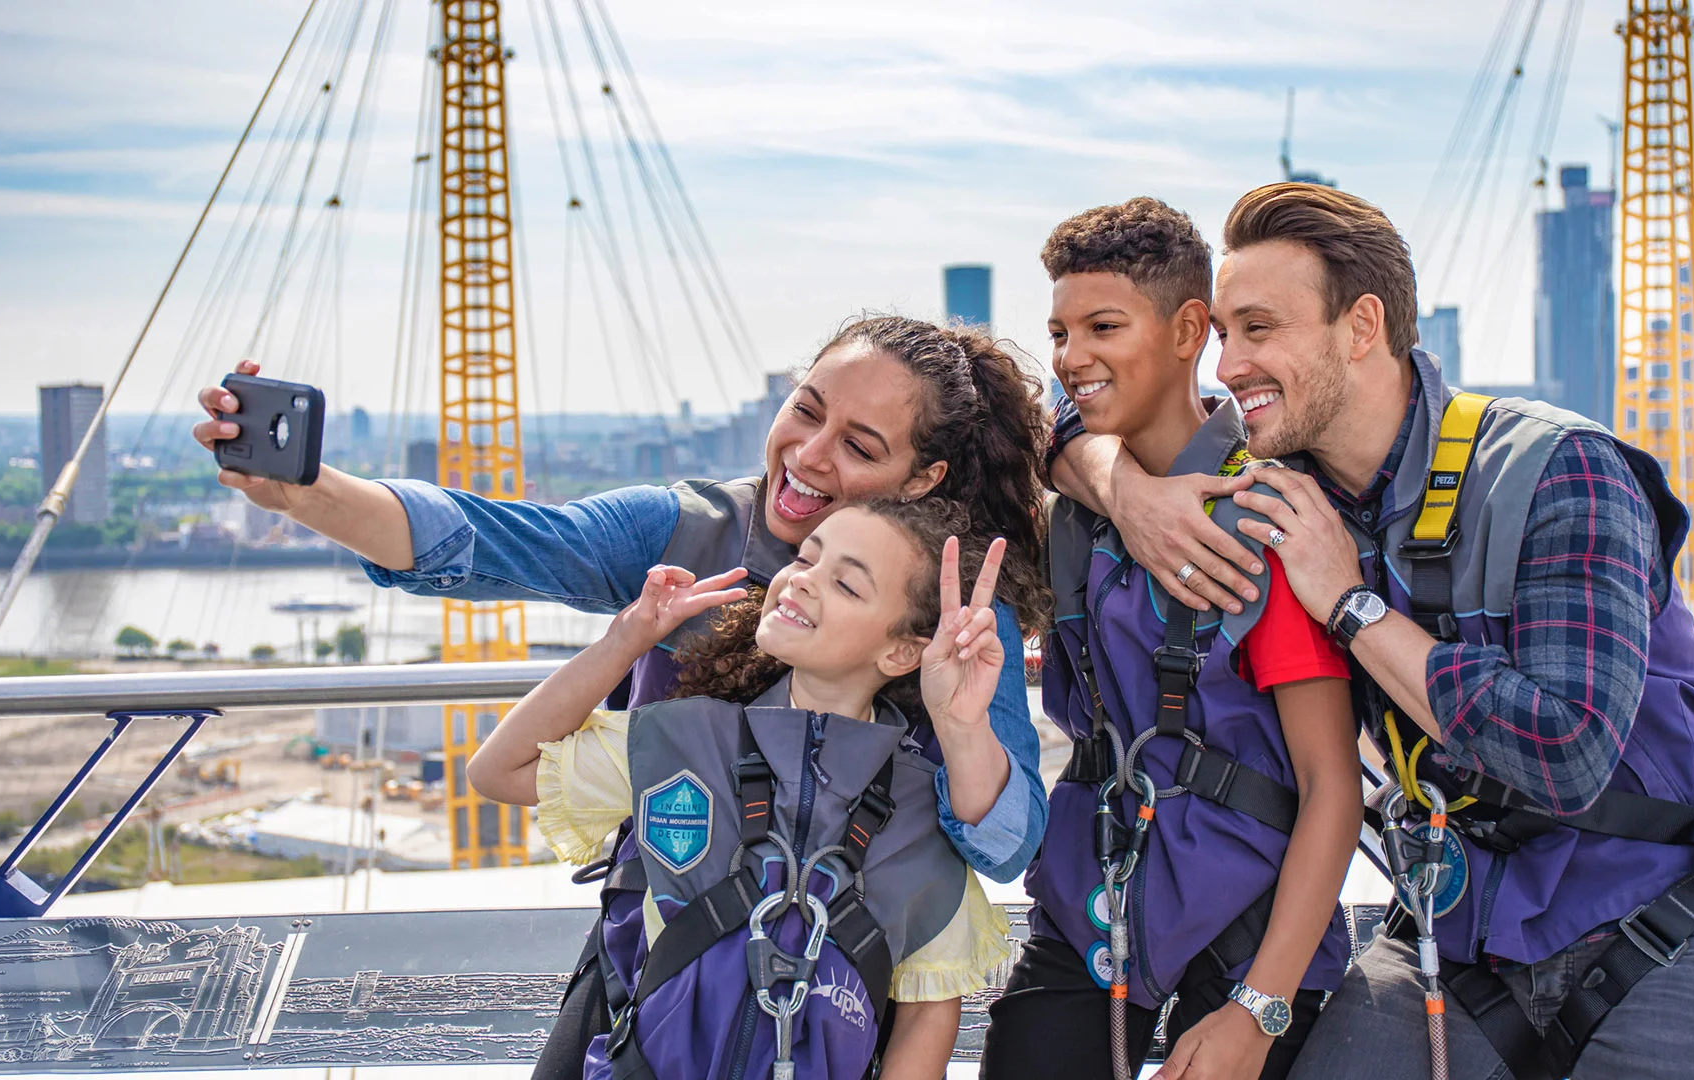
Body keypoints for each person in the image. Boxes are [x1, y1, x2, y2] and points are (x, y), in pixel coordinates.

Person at [193, 317, 1051, 1075]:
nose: (810, 455)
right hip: (660, 963)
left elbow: (1003, 845)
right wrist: (311, 492)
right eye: (806, 409)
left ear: (921, 479)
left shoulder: (951, 611)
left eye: (861, 448)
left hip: (840, 991)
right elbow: (504, 538)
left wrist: (955, 713)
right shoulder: (689, 531)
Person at [1049, 182, 1694, 1080]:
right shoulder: (1280, 479)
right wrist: (1126, 490)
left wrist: (1351, 608)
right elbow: (1068, 418)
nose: (1227, 366)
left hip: (1651, 913)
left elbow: (1569, 755)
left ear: (1361, 328)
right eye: (1226, 332)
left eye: (1260, 329)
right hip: (1457, 925)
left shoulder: (1556, 470)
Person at [980, 198, 1361, 1080]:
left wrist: (1258, 1011)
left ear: (1191, 329)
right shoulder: (1072, 509)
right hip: (1095, 911)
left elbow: (1331, 785)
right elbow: (1004, 431)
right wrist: (1115, 487)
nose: (1074, 358)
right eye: (1061, 331)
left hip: (1253, 932)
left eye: (1104, 326)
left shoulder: (1265, 519)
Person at [467, 499, 1014, 1080]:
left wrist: (963, 721)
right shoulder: (680, 743)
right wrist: (625, 641)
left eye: (846, 584)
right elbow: (498, 770)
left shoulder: (920, 816)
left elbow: (926, 1021)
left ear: (902, 651)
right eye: (805, 557)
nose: (803, 580)